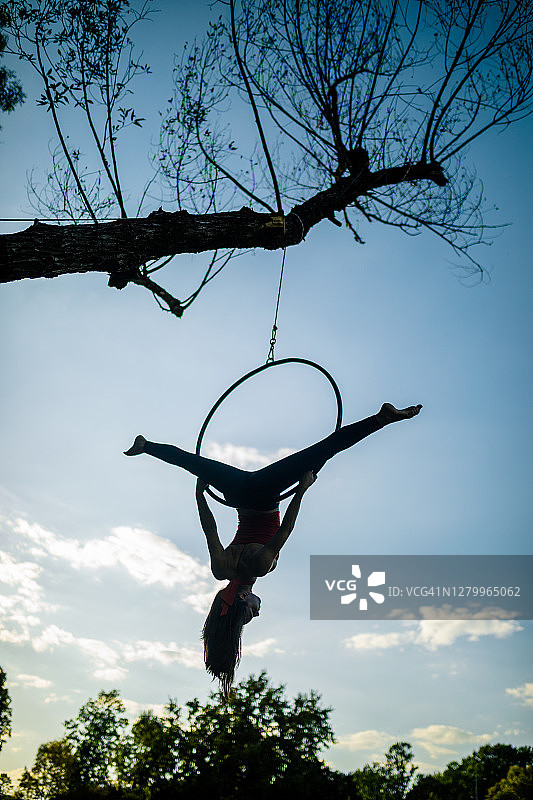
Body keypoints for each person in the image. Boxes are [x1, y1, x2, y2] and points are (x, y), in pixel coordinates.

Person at [124, 402, 422, 695]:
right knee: (192, 463)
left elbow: (285, 530)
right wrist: (200, 494)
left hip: (265, 493)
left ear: (243, 597)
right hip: (236, 490)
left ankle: (382, 419)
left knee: (325, 450)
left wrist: (303, 489)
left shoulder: (260, 567)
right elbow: (210, 528)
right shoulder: (221, 569)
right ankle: (146, 446)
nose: (258, 612)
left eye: (251, 613)